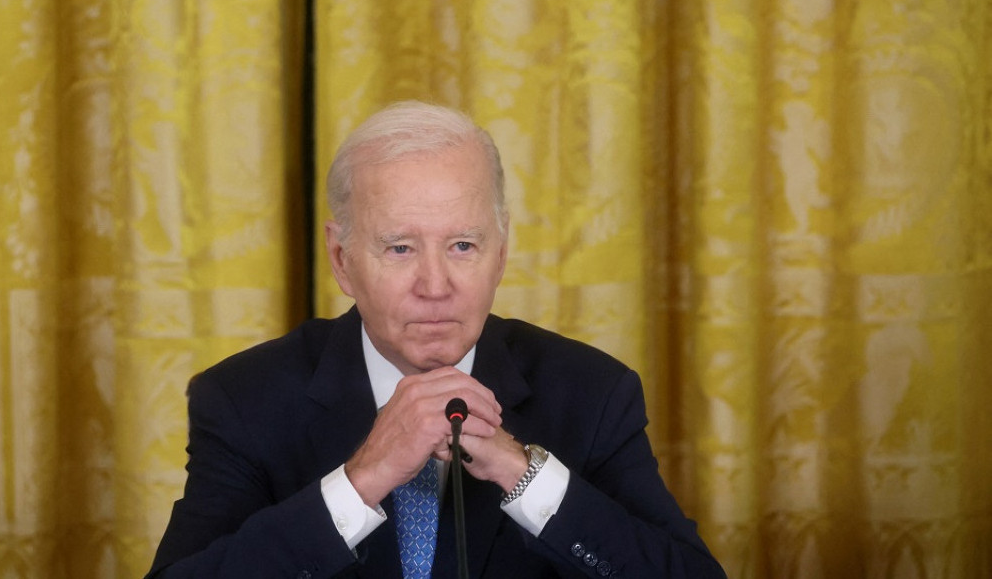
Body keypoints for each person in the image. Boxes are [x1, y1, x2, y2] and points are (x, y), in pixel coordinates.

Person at [146, 101, 725, 578]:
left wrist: (522, 473)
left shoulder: (594, 393)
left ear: (500, 255)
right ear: (342, 260)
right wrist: (360, 481)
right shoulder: (243, 399)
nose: (435, 285)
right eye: (400, 248)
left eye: (462, 247)